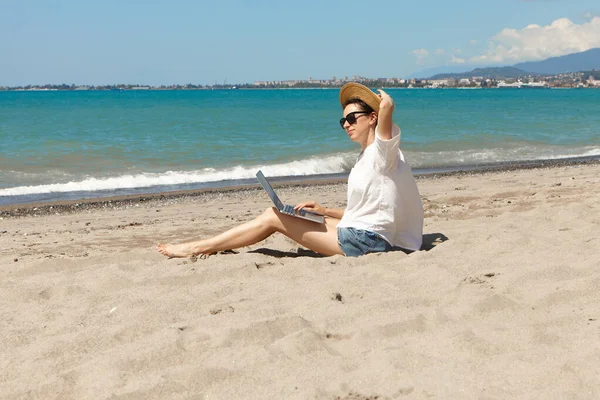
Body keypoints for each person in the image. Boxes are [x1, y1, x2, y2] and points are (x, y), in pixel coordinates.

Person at [157, 82, 423, 258]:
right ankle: (206, 244)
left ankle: (199, 247)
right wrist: (324, 211)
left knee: (273, 217)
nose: (346, 124)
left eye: (352, 118)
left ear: (372, 118)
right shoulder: (366, 157)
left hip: (366, 243)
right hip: (366, 235)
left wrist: (386, 106)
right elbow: (370, 211)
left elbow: (385, 128)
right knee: (306, 217)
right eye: (343, 120)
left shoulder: (383, 152)